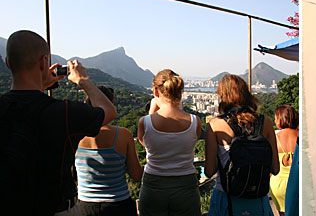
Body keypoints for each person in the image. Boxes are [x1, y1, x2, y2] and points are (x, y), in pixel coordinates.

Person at [0, 30, 117, 215]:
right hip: (56, 208)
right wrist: (83, 80)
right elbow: (109, 111)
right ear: (43, 62)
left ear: (7, 63)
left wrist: (40, 84)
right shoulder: (63, 112)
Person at [205, 74, 279, 215]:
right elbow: (275, 169)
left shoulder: (215, 125)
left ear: (222, 96)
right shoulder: (266, 122)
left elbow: (209, 171)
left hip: (227, 201)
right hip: (258, 201)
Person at [137, 69, 202, 216]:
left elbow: (147, 144)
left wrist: (151, 111)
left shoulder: (145, 123)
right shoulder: (194, 121)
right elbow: (192, 140)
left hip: (153, 184)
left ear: (155, 91)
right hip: (186, 185)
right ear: (180, 93)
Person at [74, 86, 143, 216]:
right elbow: (137, 175)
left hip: (85, 206)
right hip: (119, 204)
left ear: (86, 103)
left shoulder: (75, 135)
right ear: (110, 106)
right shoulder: (123, 135)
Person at [270, 104, 299, 216]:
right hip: (296, 184)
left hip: (277, 185)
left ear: (280, 119)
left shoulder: (274, 138)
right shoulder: (299, 136)